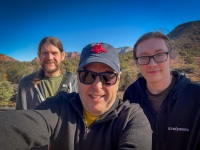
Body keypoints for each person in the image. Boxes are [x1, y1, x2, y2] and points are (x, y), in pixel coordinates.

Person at [0, 42, 152, 150]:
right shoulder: (59, 107)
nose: (97, 86)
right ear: (78, 78)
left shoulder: (131, 118)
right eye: (87, 76)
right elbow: (22, 125)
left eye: (108, 77)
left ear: (118, 79)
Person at [123, 31, 200, 150]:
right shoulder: (131, 94)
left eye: (159, 55)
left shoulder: (196, 95)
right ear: (137, 62)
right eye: (144, 57)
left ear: (171, 57)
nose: (152, 64)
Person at [16, 36, 78, 110]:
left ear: (62, 56)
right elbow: (20, 116)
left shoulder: (74, 81)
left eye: (54, 53)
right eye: (45, 53)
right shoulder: (25, 83)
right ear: (39, 55)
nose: (49, 57)